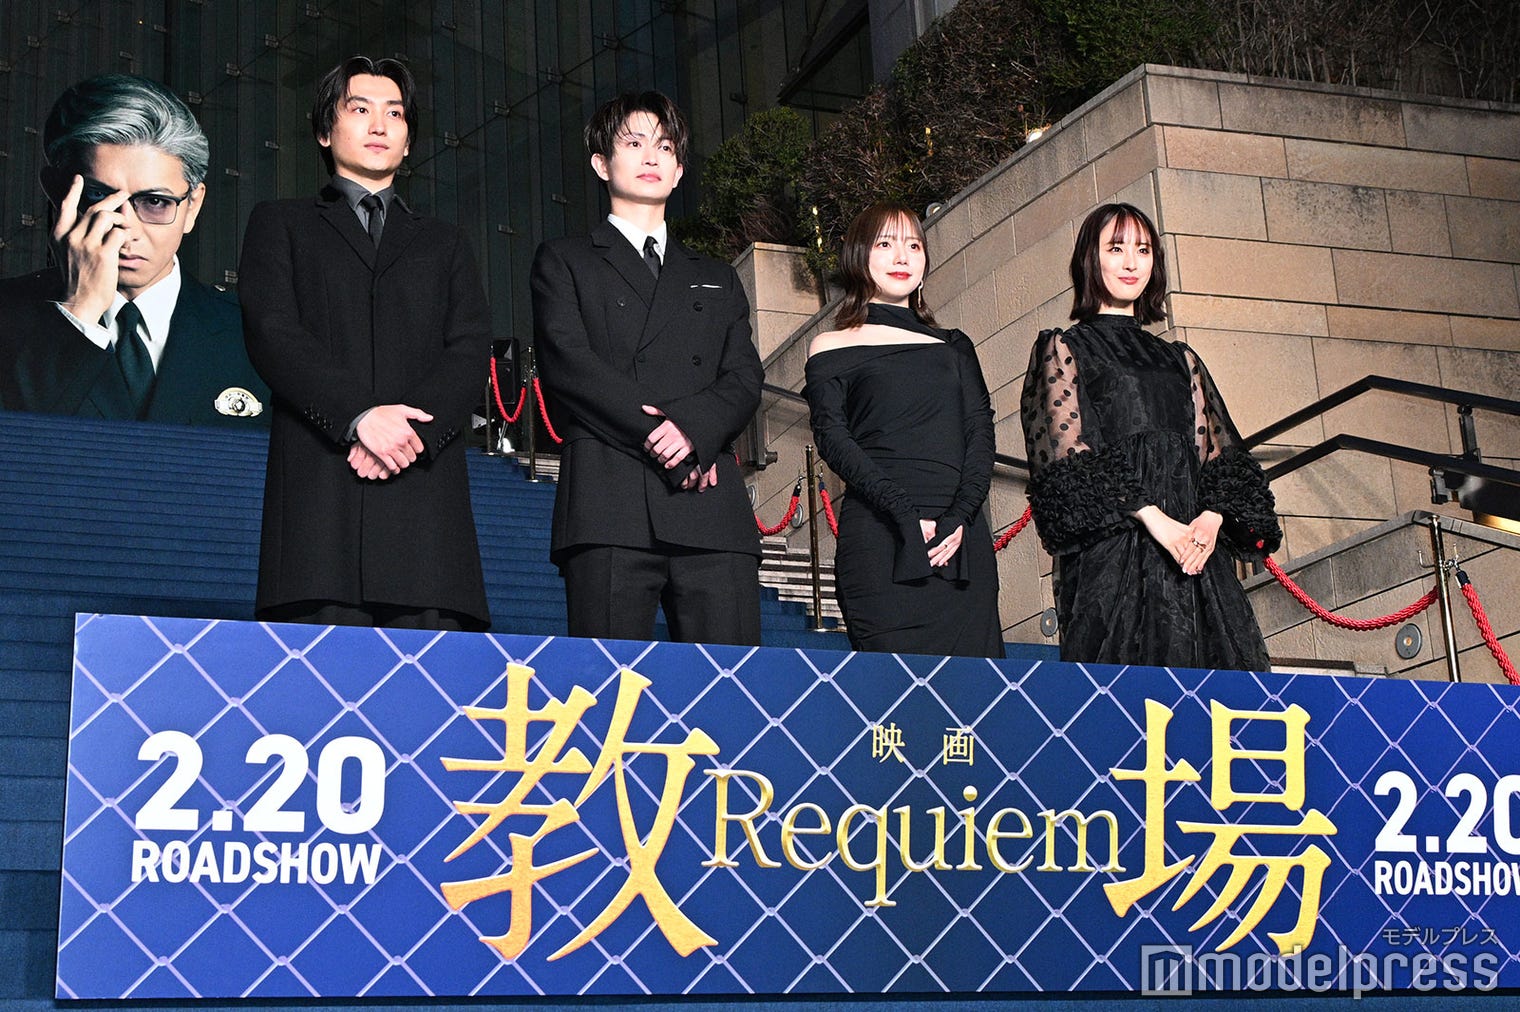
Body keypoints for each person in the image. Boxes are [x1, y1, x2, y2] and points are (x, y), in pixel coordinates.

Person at [238, 56, 491, 631]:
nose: (380, 125)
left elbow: (468, 351)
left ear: (409, 141)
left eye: (395, 114)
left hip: (426, 520)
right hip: (320, 514)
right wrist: (359, 417)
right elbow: (273, 333)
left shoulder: (446, 242)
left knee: (432, 681)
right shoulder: (280, 223)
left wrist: (405, 433)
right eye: (360, 109)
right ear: (324, 131)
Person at [531, 91, 764, 645]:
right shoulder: (565, 259)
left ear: (679, 171)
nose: (651, 156)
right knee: (607, 684)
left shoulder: (716, 275)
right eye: (634, 143)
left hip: (709, 503)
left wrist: (695, 433)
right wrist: (667, 438)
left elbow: (744, 376)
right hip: (609, 501)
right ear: (601, 164)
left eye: (665, 146)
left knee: (731, 687)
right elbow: (569, 366)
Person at [1019, 202, 1281, 670]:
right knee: (1123, 691)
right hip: (1115, 553)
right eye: (1116, 248)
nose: (1131, 262)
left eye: (1143, 250)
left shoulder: (1181, 358)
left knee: (1217, 693)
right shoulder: (1064, 347)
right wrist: (1155, 521)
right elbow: (1065, 463)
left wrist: (1210, 520)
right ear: (1090, 258)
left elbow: (1223, 459)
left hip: (1194, 556)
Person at [0, 73, 268, 425]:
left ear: (192, 206)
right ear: (57, 193)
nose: (125, 227)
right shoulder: (7, 314)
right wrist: (79, 310)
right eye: (99, 197)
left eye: (155, 201)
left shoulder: (258, 334)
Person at [804, 203, 1002, 657]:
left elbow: (980, 432)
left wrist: (959, 517)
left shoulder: (954, 345)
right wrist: (902, 510)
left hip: (961, 539)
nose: (902, 257)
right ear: (859, 255)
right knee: (889, 690)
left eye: (914, 245)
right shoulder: (830, 345)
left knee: (975, 690)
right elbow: (833, 438)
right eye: (886, 244)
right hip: (881, 537)